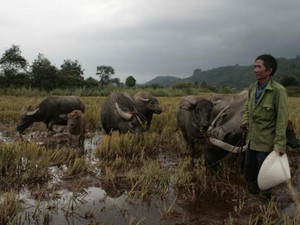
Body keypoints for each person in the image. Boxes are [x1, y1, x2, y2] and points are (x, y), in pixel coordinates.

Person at [241, 54, 289, 201]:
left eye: (259, 67)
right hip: (252, 140)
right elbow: (248, 108)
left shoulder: (278, 91)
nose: (255, 70)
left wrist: (280, 143)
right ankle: (252, 196)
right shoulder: (252, 88)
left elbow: (282, 119)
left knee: (265, 175)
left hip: (266, 143)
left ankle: (264, 200)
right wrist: (246, 120)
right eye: (254, 66)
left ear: (268, 71)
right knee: (249, 171)